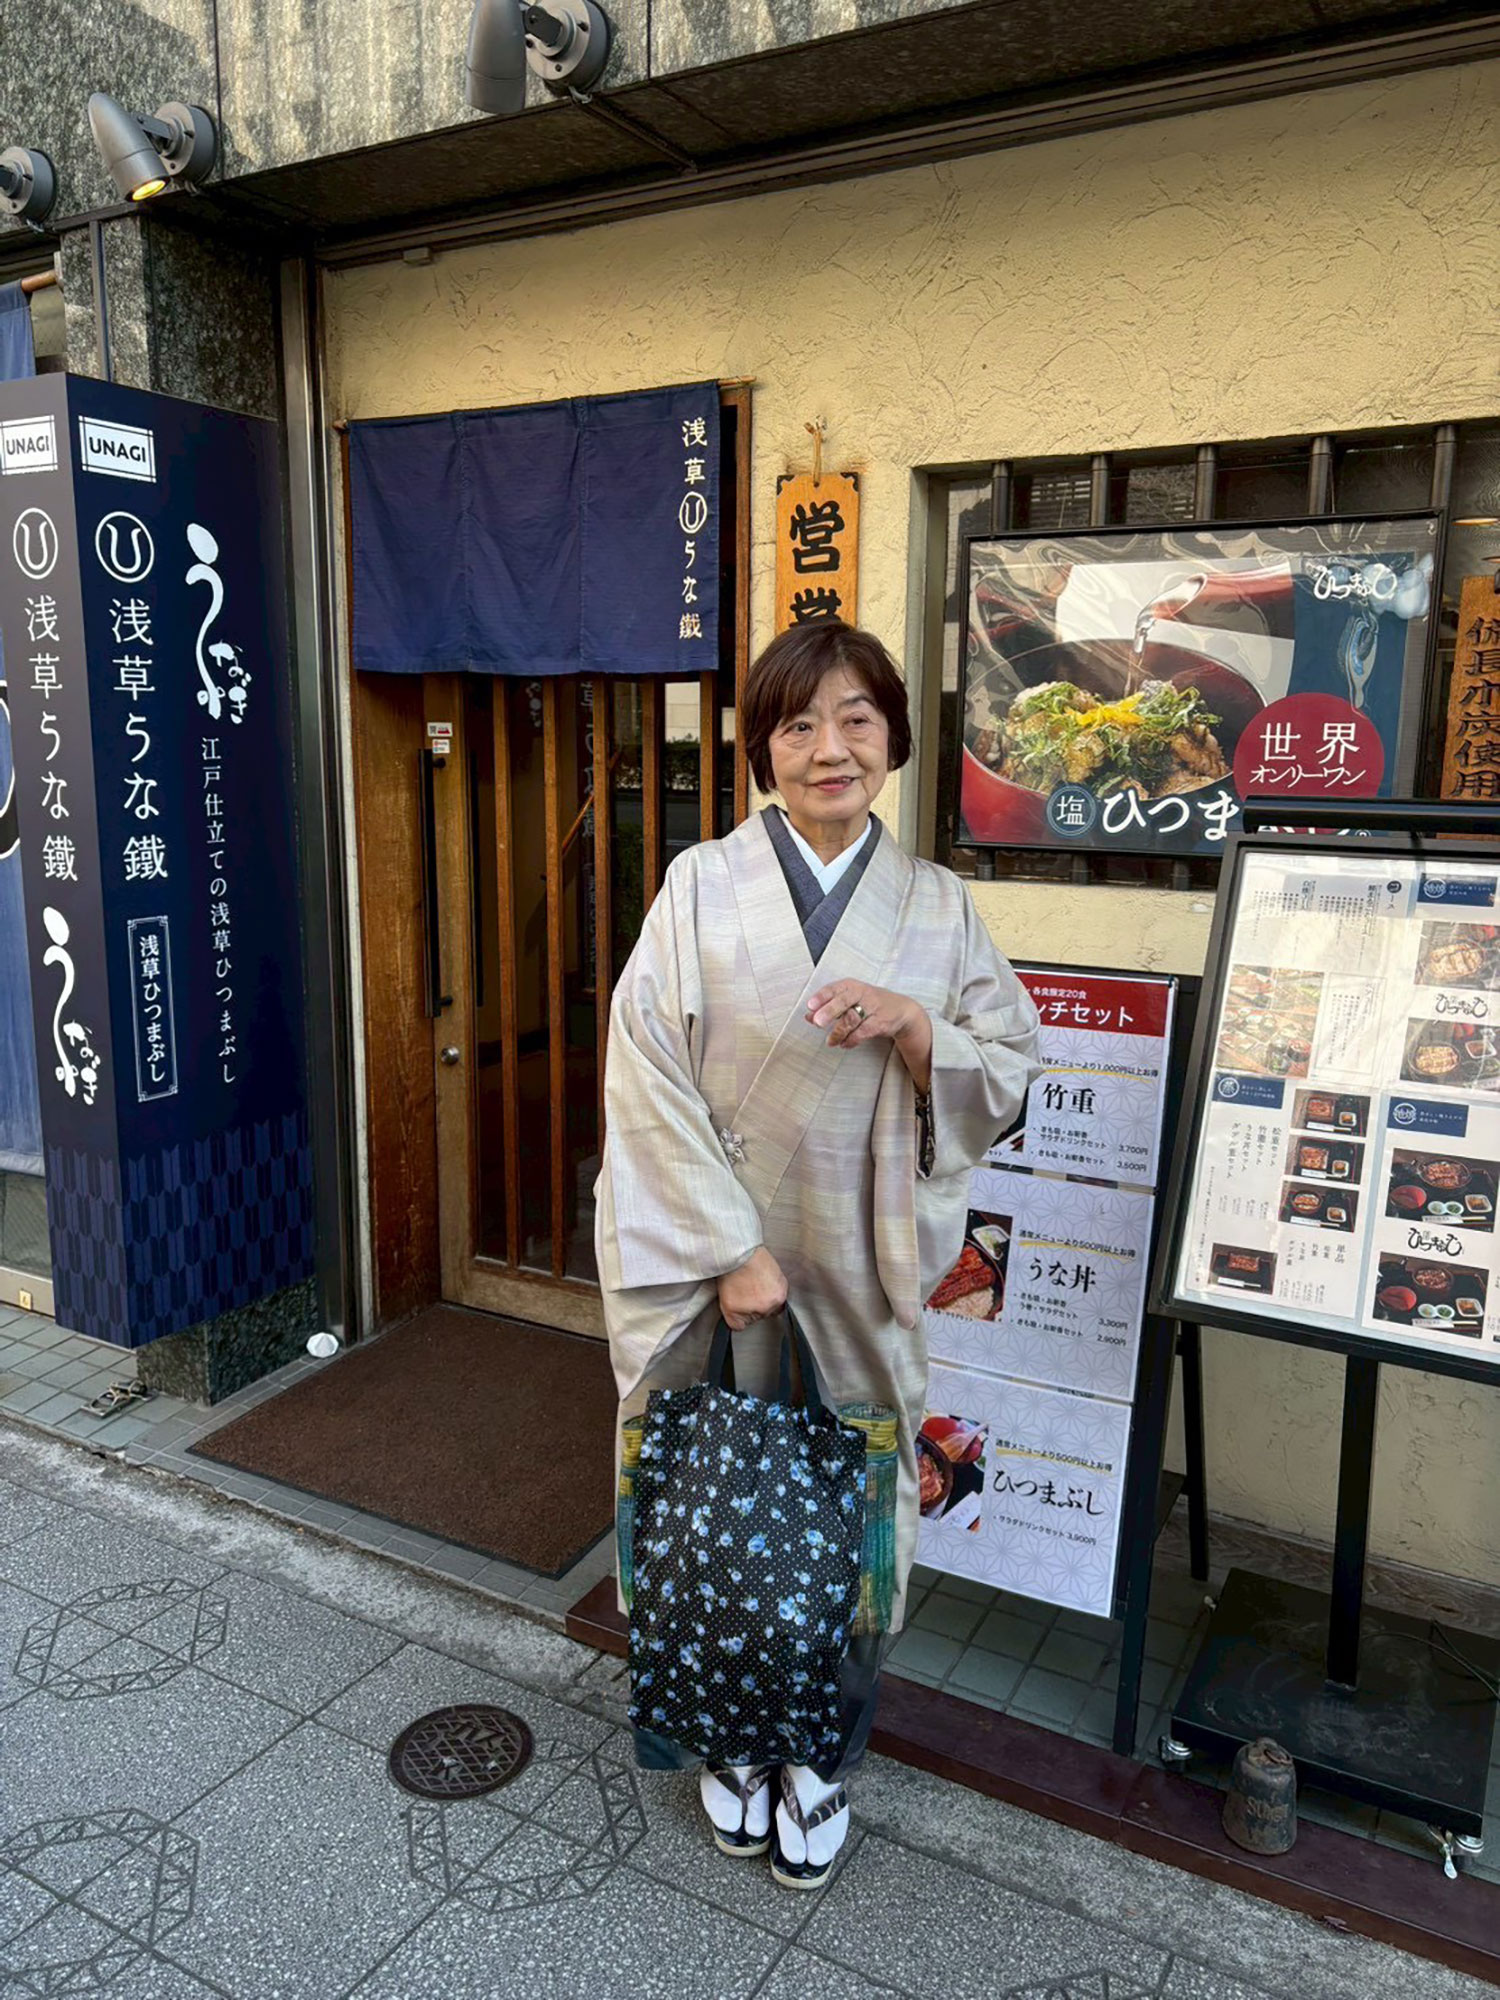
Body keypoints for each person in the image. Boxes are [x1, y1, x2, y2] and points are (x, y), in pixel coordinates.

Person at [597, 620, 1040, 1888]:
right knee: (710, 1497)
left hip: (859, 1257)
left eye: (856, 718)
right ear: (762, 749)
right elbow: (642, 1067)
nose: (828, 747)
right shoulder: (698, 885)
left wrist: (915, 1025)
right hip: (717, 1266)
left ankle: (820, 1754)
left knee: (848, 1509)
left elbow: (1009, 1066)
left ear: (893, 737)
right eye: (797, 723)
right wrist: (730, 1247)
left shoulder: (938, 904)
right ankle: (728, 1739)